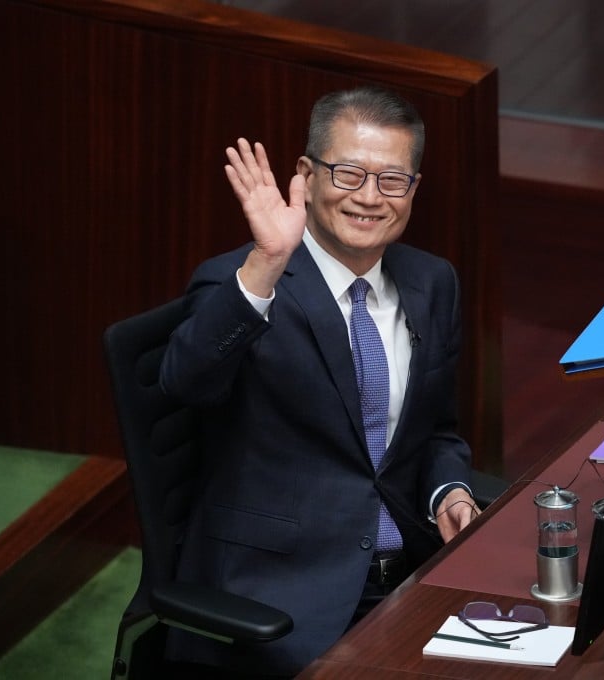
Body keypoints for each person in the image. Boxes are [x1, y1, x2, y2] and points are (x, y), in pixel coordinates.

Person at [160, 86, 479, 677]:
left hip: (410, 577)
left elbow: (435, 432)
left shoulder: (434, 282)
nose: (369, 198)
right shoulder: (244, 281)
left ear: (413, 189)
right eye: (349, 173)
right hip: (279, 597)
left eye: (392, 180)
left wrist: (449, 492)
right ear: (305, 175)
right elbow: (185, 384)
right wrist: (265, 262)